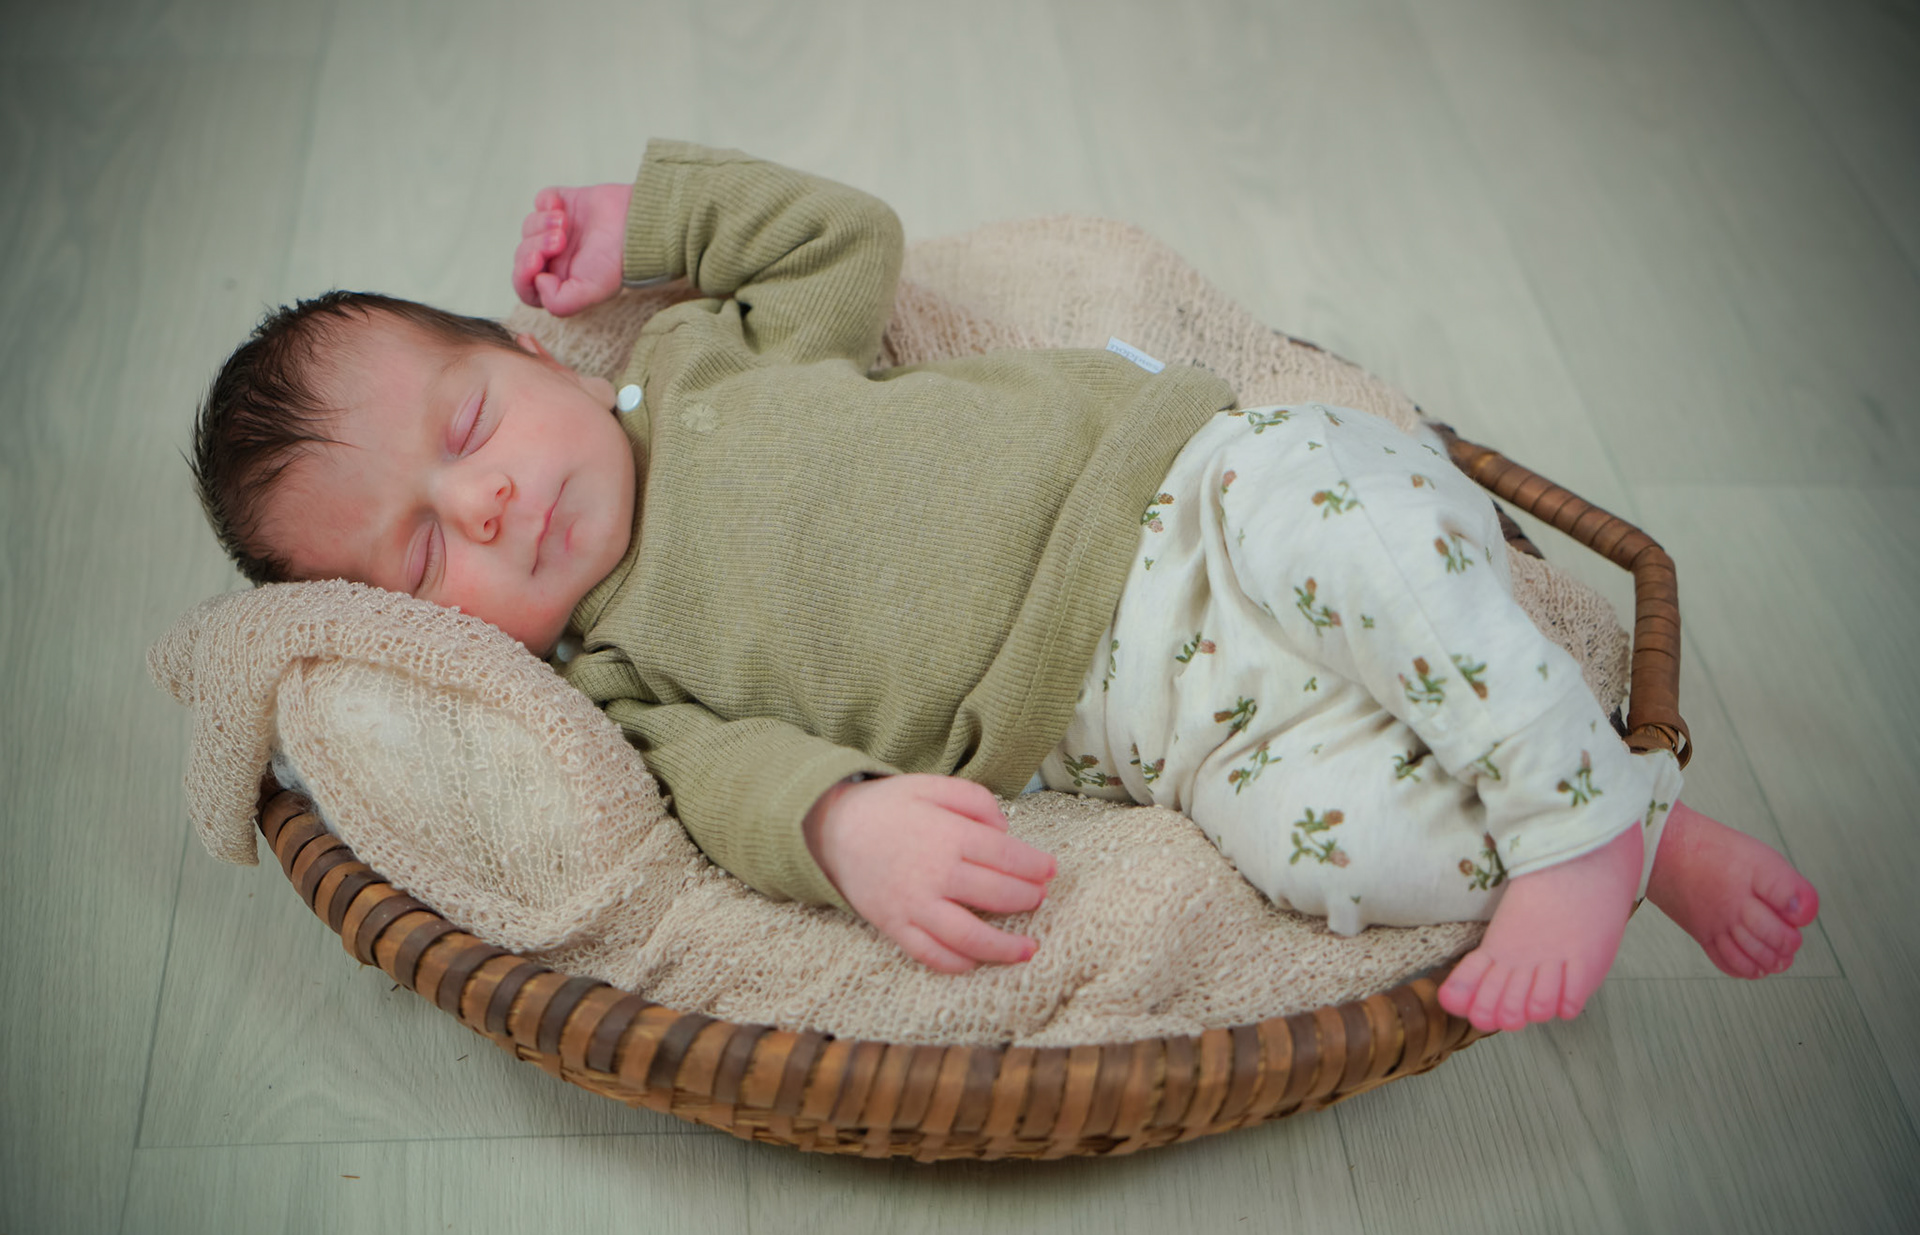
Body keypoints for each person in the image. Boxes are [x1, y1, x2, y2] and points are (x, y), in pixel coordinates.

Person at [188, 140, 1819, 1033]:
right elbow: (737, 788)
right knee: (1322, 851)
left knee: (1366, 546)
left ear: (532, 356)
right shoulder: (616, 680)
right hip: (1162, 735)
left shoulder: (700, 363)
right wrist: (849, 830)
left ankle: (1567, 816)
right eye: (424, 554)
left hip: (1191, 498)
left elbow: (841, 240)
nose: (485, 504)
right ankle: (1631, 835)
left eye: (467, 427)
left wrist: (650, 220)